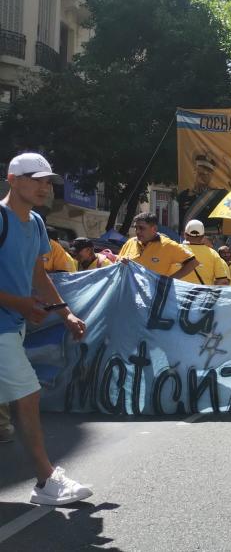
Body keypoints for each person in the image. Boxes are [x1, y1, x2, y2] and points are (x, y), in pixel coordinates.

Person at [0, 152, 92, 505]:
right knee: (28, 394)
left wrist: (64, 312)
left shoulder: (37, 223)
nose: (43, 186)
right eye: (34, 178)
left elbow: (38, 274)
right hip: (2, 326)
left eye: (47, 180)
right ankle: (45, 480)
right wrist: (21, 304)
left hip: (13, 325)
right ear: (12, 179)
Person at [118, 212, 200, 279]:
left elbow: (193, 263)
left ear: (154, 229)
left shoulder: (167, 245)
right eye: (136, 228)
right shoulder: (130, 242)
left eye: (142, 228)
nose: (137, 231)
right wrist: (120, 262)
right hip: (129, 294)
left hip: (154, 296)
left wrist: (169, 281)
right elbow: (117, 262)